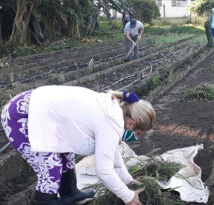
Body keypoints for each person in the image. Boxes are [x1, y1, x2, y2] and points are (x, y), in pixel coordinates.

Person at [0, 85, 156, 205]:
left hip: (42, 112)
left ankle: (70, 194)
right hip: (22, 116)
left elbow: (112, 152)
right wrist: (128, 197)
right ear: (131, 123)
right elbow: (104, 170)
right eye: (138, 132)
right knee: (50, 170)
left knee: (66, 155)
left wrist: (129, 181)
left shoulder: (116, 109)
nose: (136, 136)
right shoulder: (110, 121)